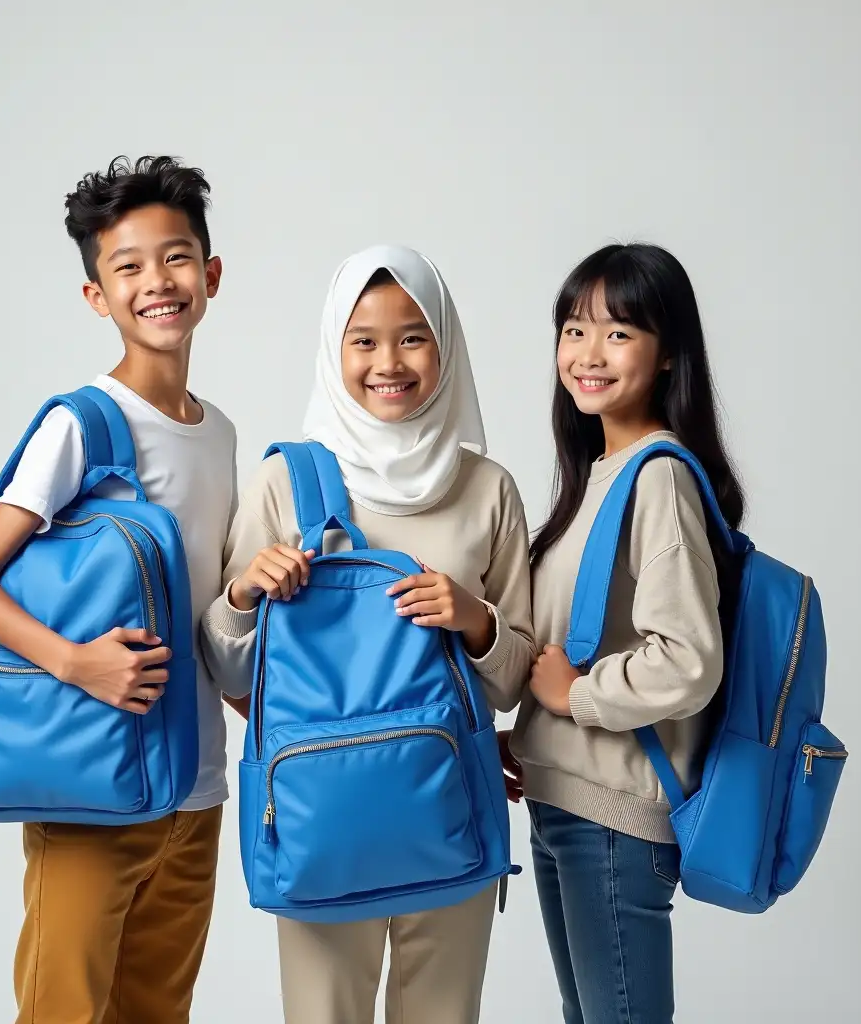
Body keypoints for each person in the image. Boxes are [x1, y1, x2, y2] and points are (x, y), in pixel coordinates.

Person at [203, 244, 536, 1024]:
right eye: (363, 340)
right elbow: (223, 663)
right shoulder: (286, 483)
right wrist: (247, 592)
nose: (389, 362)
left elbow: (518, 675)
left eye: (413, 336)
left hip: (449, 811)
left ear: (446, 345)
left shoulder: (486, 488)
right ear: (334, 348)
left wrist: (474, 618)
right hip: (319, 814)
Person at [0, 155, 237, 1024]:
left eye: (176, 258)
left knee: (157, 1012)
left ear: (211, 275)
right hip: (91, 784)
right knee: (63, 1010)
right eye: (129, 267)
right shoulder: (83, 422)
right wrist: (76, 664)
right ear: (96, 297)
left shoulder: (218, 433)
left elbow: (207, 614)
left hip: (197, 786)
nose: (158, 282)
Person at [503, 242, 745, 1023]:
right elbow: (573, 645)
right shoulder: (594, 479)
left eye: (618, 332)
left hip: (613, 820)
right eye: (574, 330)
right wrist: (536, 726)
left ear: (669, 352)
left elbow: (688, 662)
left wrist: (575, 699)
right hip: (562, 804)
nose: (588, 354)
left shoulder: (659, 476)